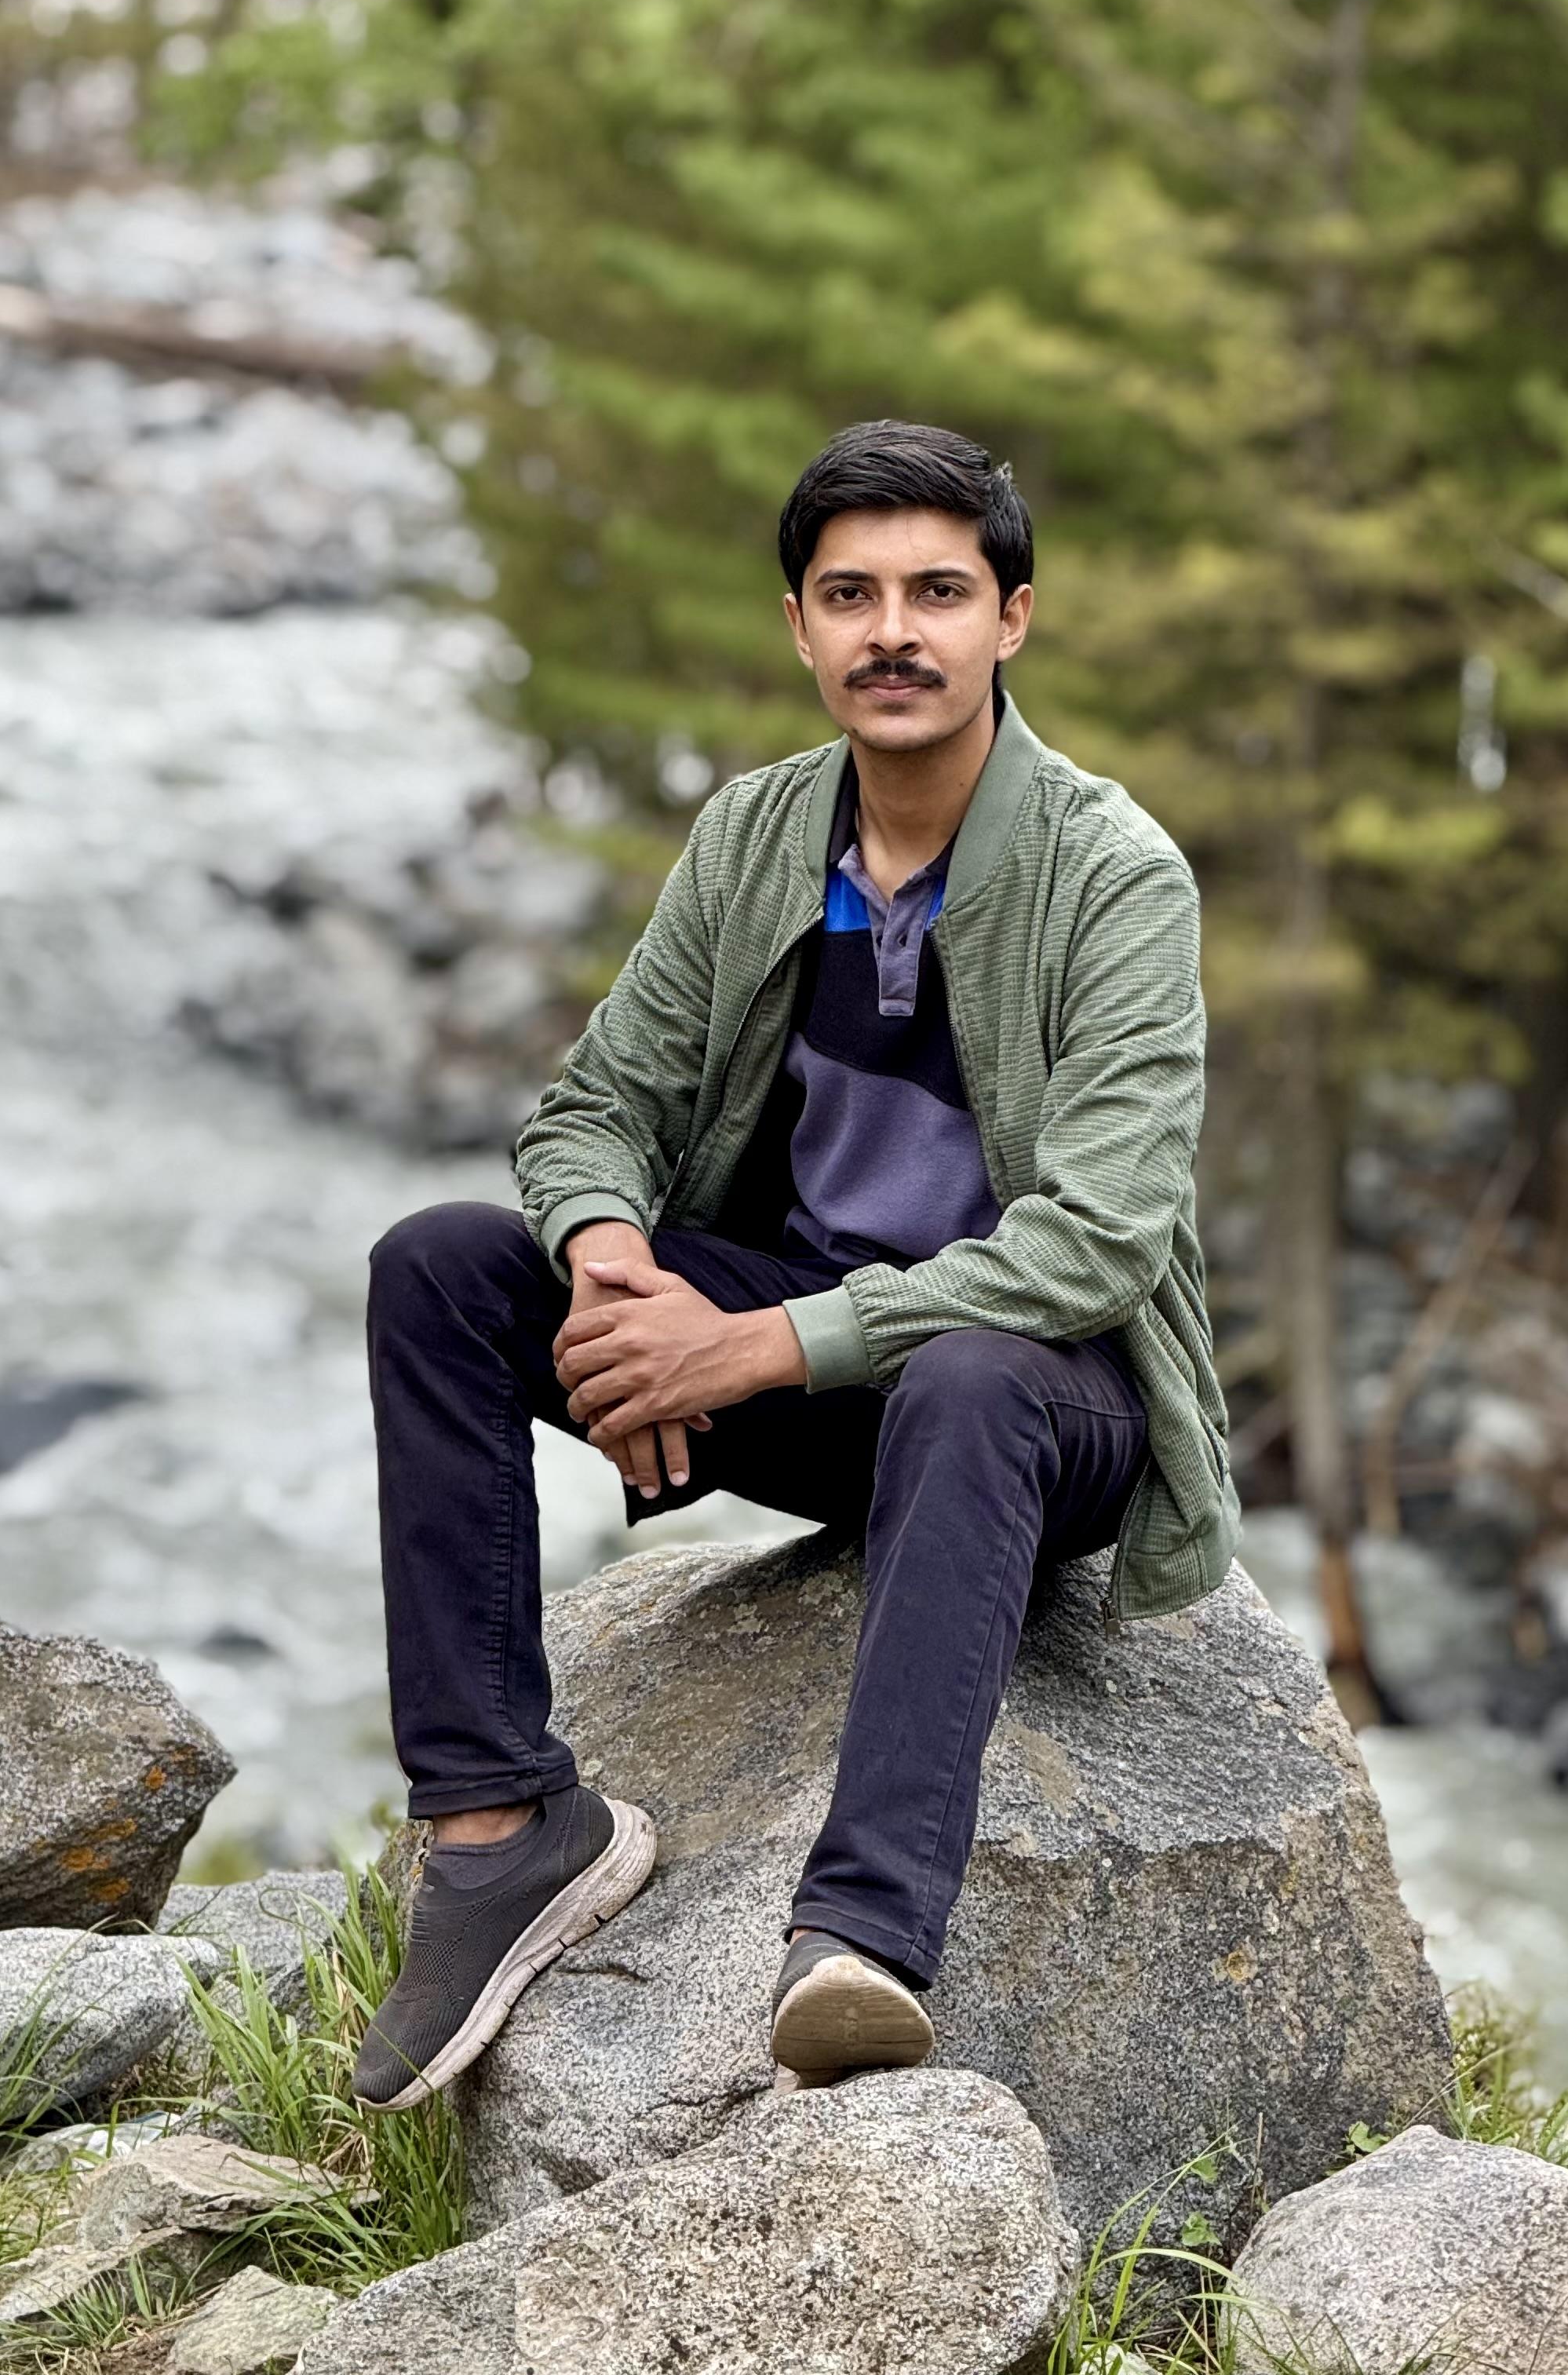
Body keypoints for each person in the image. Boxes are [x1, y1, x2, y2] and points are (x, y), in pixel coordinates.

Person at [352, 419, 1236, 2111]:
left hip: (1037, 1408)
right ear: (800, 627)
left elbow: (1100, 1242)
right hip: (812, 1379)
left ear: (1013, 619)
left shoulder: (1113, 874)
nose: (893, 632)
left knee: (970, 1376)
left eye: (938, 593)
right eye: (851, 595)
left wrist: (744, 1352)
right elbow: (595, 1108)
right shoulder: (760, 836)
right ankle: (500, 1828)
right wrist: (619, 1284)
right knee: (442, 1267)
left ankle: (859, 1939)